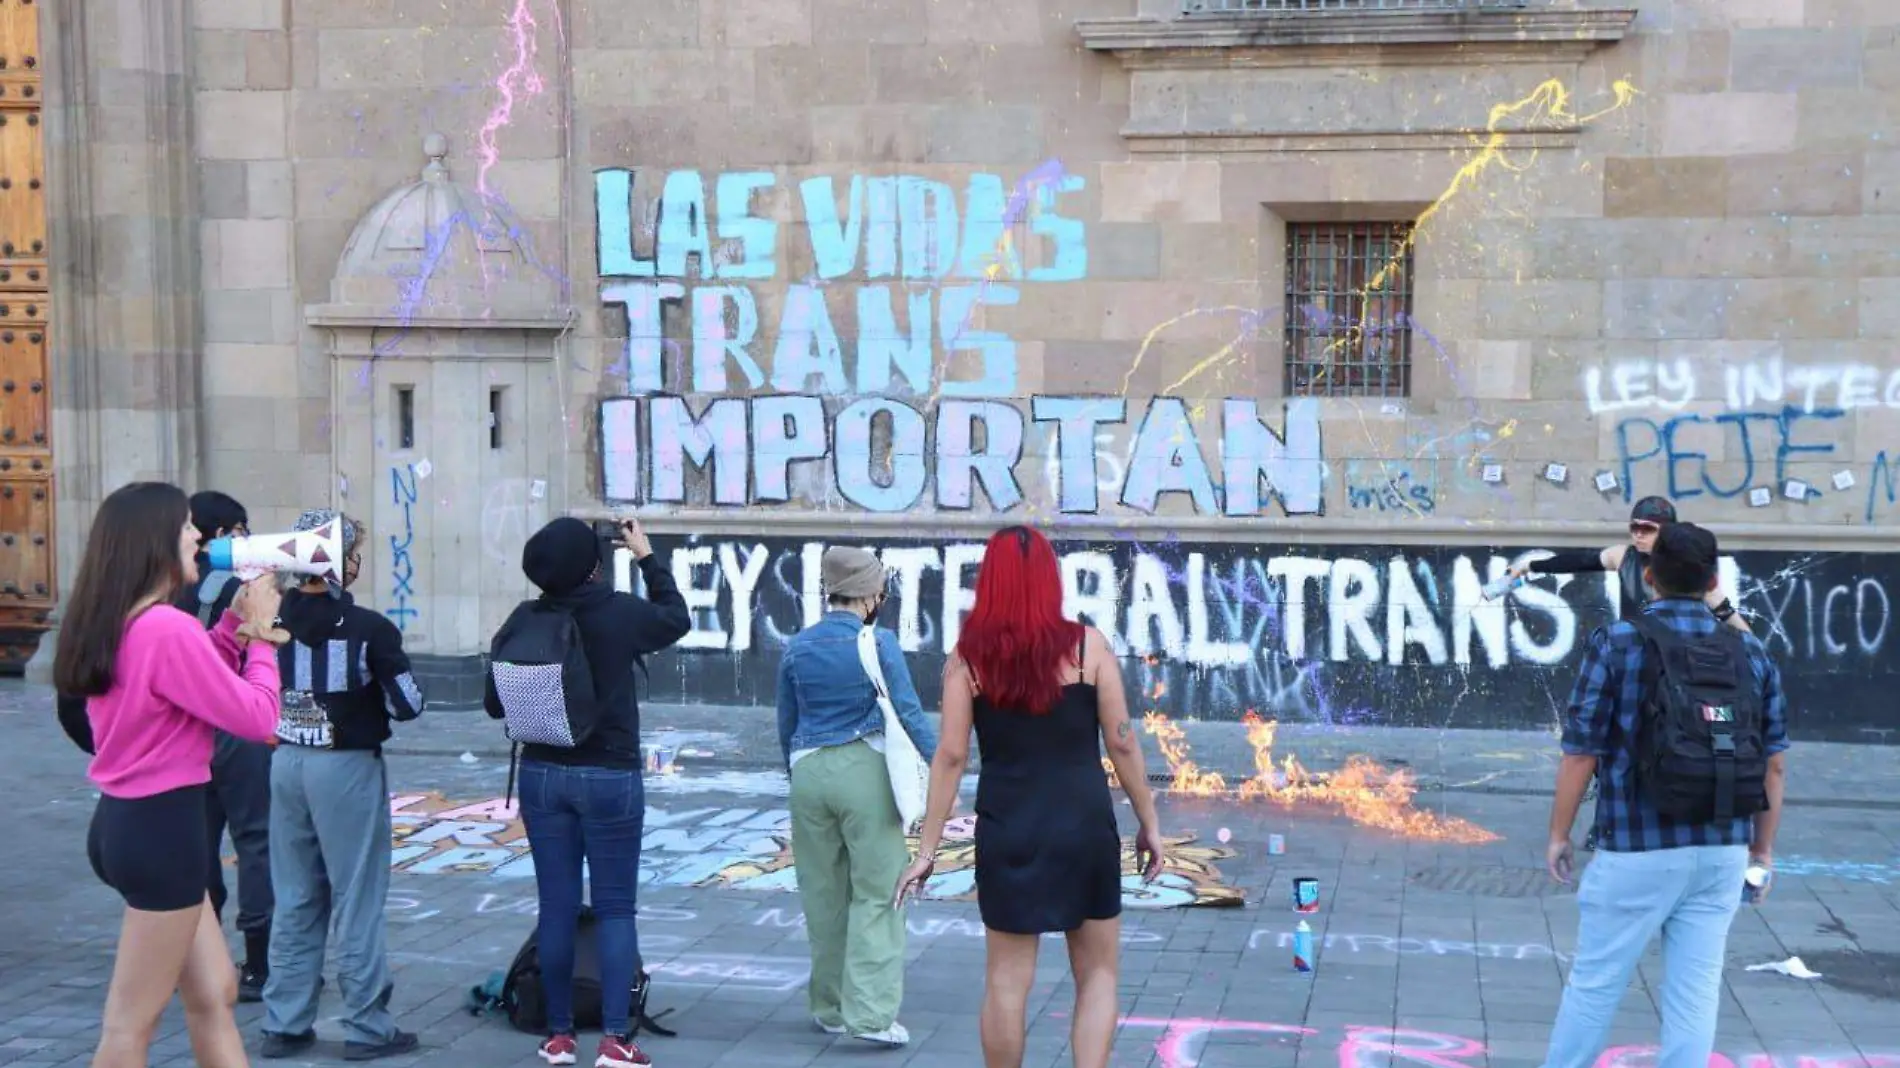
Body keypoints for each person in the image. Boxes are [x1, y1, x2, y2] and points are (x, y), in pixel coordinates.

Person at [895, 526, 1165, 1068]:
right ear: (1050, 580)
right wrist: (1148, 821)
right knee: (1098, 973)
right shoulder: (1089, 647)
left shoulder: (968, 660)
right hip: (1083, 826)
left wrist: (925, 852)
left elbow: (949, 755)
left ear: (988, 582)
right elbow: (1121, 741)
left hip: (1009, 827)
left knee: (1006, 977)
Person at [51, 481, 285, 1068]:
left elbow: (190, 678)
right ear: (153, 541)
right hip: (162, 833)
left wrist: (232, 628)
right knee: (130, 1025)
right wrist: (260, 635)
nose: (197, 536)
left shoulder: (130, 620)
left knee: (215, 993)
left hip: (132, 825)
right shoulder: (164, 627)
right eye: (185, 526)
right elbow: (258, 716)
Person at [1540, 522, 1790, 1068]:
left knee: (1597, 981)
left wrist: (1559, 834)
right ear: (1714, 579)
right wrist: (1761, 852)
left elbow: (1581, 752)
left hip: (1636, 845)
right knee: (1695, 993)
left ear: (1647, 577)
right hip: (1723, 846)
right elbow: (1774, 764)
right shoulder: (1751, 652)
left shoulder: (1617, 641)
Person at [489, 517, 690, 1068]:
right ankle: (616, 1040)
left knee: (555, 907)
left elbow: (493, 702)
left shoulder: (524, 619)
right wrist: (647, 555)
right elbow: (677, 618)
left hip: (542, 774)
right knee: (615, 907)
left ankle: (558, 1036)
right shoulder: (619, 611)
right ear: (594, 565)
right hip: (610, 775)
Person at [259, 510, 426, 1061]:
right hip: (346, 767)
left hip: (285, 763)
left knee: (296, 895)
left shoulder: (268, 615)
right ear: (334, 563)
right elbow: (409, 705)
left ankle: (284, 1021)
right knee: (357, 897)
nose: (356, 563)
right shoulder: (368, 629)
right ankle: (366, 1025)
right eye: (351, 553)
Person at [1506, 496, 1750, 852]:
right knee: (1613, 747)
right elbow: (1579, 560)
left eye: (1647, 529)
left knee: (1665, 742)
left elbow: (1724, 610)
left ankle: (1674, 811)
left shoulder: (1687, 568)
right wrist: (1532, 566)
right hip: (1634, 659)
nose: (1638, 535)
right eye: (1634, 527)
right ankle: (1607, 822)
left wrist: (1750, 644)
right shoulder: (1625, 558)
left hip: (1675, 670)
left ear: (1668, 531)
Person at [775, 546, 939, 1049]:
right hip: (864, 771)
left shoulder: (797, 646)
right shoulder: (877, 641)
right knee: (878, 892)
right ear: (870, 594)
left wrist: (796, 770)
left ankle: (828, 1007)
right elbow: (909, 714)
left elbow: (786, 721)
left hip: (808, 773)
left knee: (823, 895)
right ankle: (868, 1016)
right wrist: (943, 769)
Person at [171, 490, 276, 1002]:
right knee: (256, 839)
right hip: (235, 720)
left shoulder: (172, 586)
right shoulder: (237, 586)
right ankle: (258, 962)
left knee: (200, 841)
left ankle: (199, 956)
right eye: (241, 529)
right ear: (222, 534)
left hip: (191, 724)